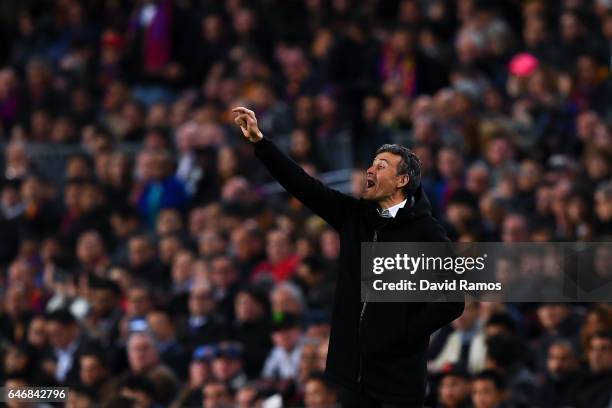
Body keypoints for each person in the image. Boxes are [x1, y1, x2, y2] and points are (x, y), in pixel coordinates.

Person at [232, 107, 464, 406]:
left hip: (399, 380)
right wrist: (261, 143)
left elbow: (453, 300)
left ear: (402, 180)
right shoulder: (354, 217)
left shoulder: (426, 232)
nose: (370, 170)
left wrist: (402, 335)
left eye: (381, 166)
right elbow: (304, 186)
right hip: (353, 375)